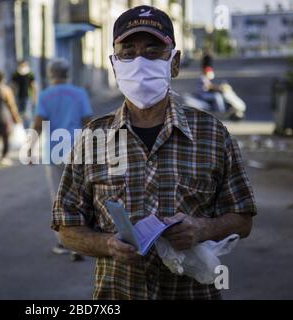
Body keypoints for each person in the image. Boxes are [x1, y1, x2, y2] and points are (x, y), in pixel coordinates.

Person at [52, 5, 257, 299]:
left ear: (174, 63)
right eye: (128, 52)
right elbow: (66, 226)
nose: (139, 62)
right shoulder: (92, 139)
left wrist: (201, 228)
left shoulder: (212, 134)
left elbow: (242, 218)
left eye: (152, 50)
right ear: (114, 64)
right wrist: (108, 244)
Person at [29, 58, 93, 262]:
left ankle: (64, 240)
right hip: (77, 150)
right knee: (78, 195)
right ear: (67, 73)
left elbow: (39, 123)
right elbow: (88, 122)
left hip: (55, 151)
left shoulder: (46, 95)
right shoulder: (79, 93)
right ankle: (79, 240)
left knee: (59, 196)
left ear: (50, 74)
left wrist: (30, 148)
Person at [11, 60, 38, 128]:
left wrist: (35, 98)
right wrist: (12, 97)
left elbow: (34, 86)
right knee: (19, 113)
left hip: (27, 97)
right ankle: (21, 127)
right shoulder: (16, 74)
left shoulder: (30, 74)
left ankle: (27, 128)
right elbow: (13, 86)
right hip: (18, 96)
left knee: (27, 114)